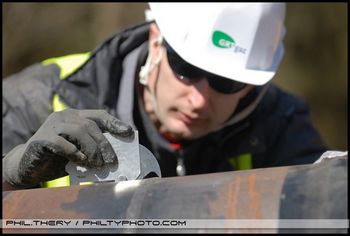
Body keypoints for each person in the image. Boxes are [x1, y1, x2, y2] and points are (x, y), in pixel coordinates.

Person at [2, 3, 327, 190]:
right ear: (156, 40)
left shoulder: (279, 124)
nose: (199, 99)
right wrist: (10, 176)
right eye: (185, 67)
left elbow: (326, 203)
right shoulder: (37, 98)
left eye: (226, 82)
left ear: (254, 85)